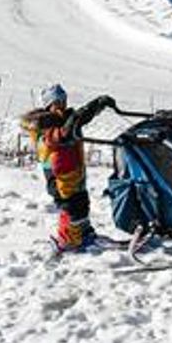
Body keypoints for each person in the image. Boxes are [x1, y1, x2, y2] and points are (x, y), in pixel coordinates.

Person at [20, 84, 114, 253]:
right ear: (48, 104)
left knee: (82, 203)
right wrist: (79, 116)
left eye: (63, 100)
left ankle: (84, 233)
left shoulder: (63, 119)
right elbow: (60, 135)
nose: (61, 105)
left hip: (73, 173)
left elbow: (77, 120)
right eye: (57, 101)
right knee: (71, 207)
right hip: (58, 177)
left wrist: (96, 106)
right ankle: (68, 240)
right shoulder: (44, 124)